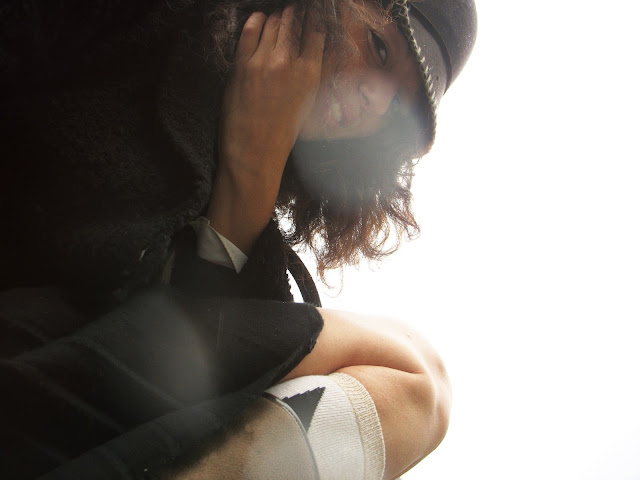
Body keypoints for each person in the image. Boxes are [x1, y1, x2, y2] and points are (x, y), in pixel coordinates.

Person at [0, 0, 476, 478]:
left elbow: (178, 370)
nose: (377, 100)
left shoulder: (264, 224)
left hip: (73, 415)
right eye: (378, 48)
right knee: (413, 371)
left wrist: (250, 176)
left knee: (417, 384)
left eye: (399, 107)